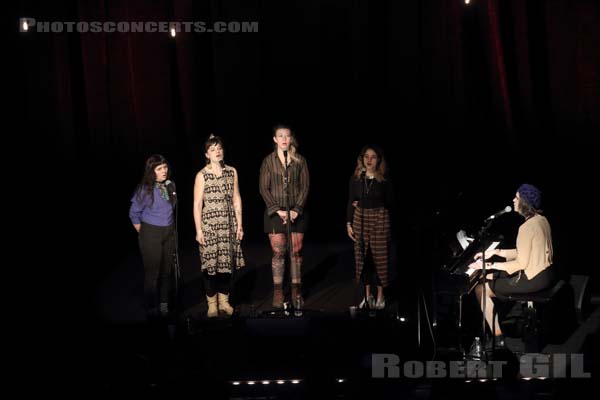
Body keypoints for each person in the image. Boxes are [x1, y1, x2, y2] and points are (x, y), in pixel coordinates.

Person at [469, 183, 555, 346]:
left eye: (517, 197)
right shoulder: (541, 220)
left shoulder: (526, 227)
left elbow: (520, 264)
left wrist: (487, 265)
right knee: (489, 277)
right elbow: (526, 251)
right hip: (545, 274)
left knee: (481, 289)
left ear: (524, 202)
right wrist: (497, 253)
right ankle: (498, 329)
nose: (513, 200)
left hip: (533, 279)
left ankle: (498, 337)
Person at [193, 135, 245, 318]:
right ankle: (212, 304)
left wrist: (240, 225)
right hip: (209, 226)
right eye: (213, 149)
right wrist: (198, 230)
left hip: (228, 225)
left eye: (219, 148)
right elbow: (197, 204)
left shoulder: (232, 171)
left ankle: (224, 302)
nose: (217, 152)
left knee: (226, 265)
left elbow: (236, 198)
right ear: (207, 154)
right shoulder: (202, 175)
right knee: (210, 266)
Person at [259, 124, 310, 308]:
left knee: (295, 253)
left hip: (296, 211)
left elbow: (305, 186)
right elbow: (263, 188)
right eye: (280, 136)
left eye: (287, 136)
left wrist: (296, 209)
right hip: (275, 213)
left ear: (291, 139)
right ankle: (278, 292)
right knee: (278, 252)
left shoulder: (300, 161)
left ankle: (296, 291)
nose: (284, 139)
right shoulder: (268, 161)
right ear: (275, 139)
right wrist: (277, 210)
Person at [129, 154, 177, 318]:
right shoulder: (145, 188)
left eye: (165, 167)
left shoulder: (170, 185)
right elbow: (133, 213)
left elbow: (172, 208)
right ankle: (151, 307)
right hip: (151, 233)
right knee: (153, 273)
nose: (164, 171)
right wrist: (145, 233)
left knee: (166, 272)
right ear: (152, 171)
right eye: (159, 168)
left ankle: (163, 304)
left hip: (169, 232)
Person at [346, 145, 394, 310]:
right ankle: (367, 296)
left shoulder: (384, 178)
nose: (369, 160)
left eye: (373, 157)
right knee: (364, 259)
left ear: (378, 159)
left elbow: (390, 201)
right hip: (361, 218)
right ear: (362, 158)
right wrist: (348, 223)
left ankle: (381, 296)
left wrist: (371, 200)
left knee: (380, 259)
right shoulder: (357, 178)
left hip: (380, 218)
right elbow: (351, 200)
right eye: (366, 156)